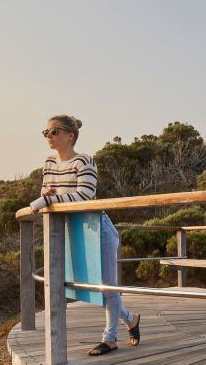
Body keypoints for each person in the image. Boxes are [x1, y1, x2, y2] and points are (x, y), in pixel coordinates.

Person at [29, 115, 141, 356]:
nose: (49, 136)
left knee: (108, 286)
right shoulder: (48, 162)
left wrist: (46, 199)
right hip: (72, 231)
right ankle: (131, 319)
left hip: (96, 229)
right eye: (45, 132)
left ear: (70, 135)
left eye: (54, 131)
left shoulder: (84, 161)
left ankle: (109, 338)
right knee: (90, 286)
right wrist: (47, 193)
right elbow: (47, 191)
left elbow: (84, 196)